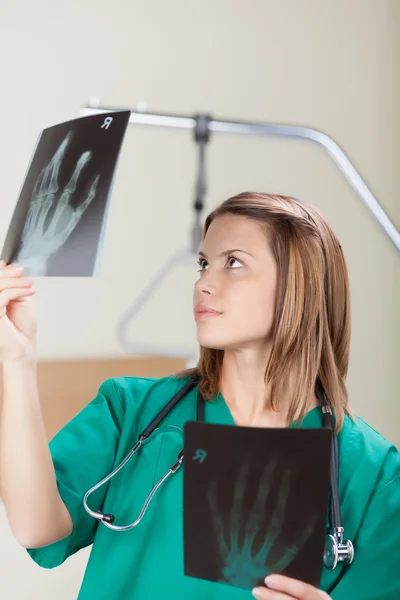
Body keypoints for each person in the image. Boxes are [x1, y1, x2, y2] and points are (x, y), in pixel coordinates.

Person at [0, 192, 399, 600]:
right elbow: (37, 528)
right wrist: (17, 360)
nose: (203, 284)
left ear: (300, 283)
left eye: (234, 263)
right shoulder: (133, 411)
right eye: (204, 263)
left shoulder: (374, 474)